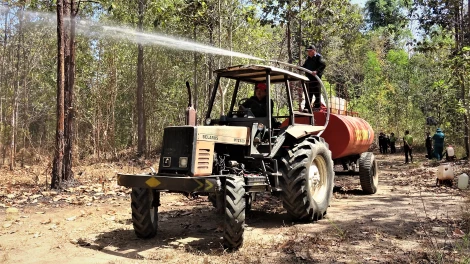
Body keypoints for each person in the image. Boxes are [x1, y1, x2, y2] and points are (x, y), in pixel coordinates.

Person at [302, 44, 326, 110]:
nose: (308, 53)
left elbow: (323, 65)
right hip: (308, 79)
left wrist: (316, 71)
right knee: (308, 94)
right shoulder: (308, 59)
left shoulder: (319, 57)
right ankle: (307, 107)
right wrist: (300, 68)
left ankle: (317, 107)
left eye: (310, 51)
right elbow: (304, 66)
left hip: (316, 79)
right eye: (308, 51)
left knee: (317, 93)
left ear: (314, 51)